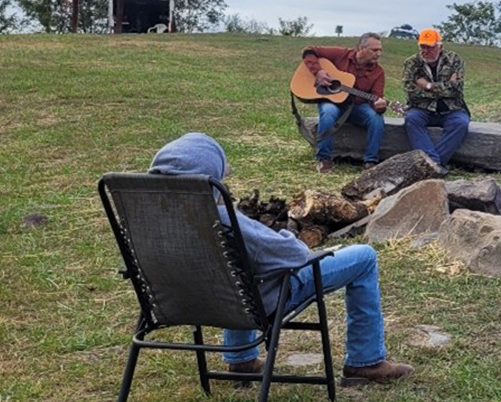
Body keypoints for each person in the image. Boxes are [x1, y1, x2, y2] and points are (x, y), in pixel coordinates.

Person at [148, 133, 414, 383]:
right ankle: (365, 362)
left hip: (179, 302)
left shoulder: (149, 221)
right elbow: (296, 256)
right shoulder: (224, 219)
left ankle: (241, 358)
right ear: (210, 176)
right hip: (255, 302)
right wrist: (286, 235)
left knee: (238, 270)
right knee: (363, 256)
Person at [302, 33, 389, 173]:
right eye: (374, 50)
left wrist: (380, 106)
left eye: (380, 50)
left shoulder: (378, 72)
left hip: (357, 106)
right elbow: (309, 51)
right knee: (329, 112)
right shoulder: (340, 54)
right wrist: (318, 72)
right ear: (361, 48)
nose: (378, 54)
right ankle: (324, 160)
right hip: (333, 102)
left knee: (376, 118)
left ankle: (371, 163)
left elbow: (376, 97)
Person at [400, 27, 470, 167]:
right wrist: (444, 86)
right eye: (422, 46)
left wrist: (427, 86)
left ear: (440, 47)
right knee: (411, 119)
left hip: (451, 109)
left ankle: (430, 164)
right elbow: (411, 91)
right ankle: (434, 163)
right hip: (421, 109)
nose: (425, 51)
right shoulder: (411, 63)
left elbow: (456, 89)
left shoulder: (455, 60)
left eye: (430, 47)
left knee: (461, 123)